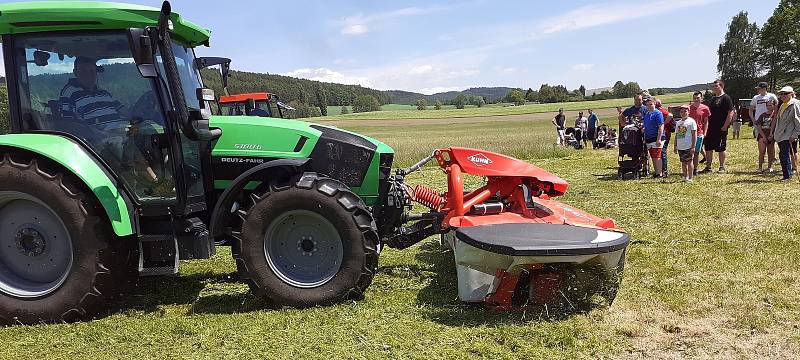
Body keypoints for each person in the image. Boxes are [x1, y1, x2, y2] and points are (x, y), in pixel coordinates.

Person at [700, 80, 735, 174]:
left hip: (721, 127)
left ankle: (721, 166)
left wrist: (725, 126)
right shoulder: (712, 99)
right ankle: (708, 167)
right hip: (710, 128)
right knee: (708, 148)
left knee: (721, 148)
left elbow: (730, 112)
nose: (714, 88)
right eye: (713, 86)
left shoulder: (726, 98)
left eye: (716, 86)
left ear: (721, 86)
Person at [772, 86, 800, 181]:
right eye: (781, 94)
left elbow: (798, 122)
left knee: (784, 155)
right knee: (783, 155)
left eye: (785, 93)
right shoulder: (783, 105)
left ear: (791, 94)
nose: (783, 95)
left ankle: (787, 175)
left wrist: (794, 135)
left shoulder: (795, 104)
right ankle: (788, 174)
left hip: (788, 135)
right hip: (781, 135)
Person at [642, 96, 665, 178]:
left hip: (656, 138)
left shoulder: (658, 113)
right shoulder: (647, 114)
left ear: (654, 104)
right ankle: (656, 172)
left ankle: (659, 173)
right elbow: (645, 125)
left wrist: (658, 139)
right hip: (649, 138)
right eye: (647, 105)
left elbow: (661, 126)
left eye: (651, 104)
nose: (649, 106)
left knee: (657, 156)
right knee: (653, 156)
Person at [673, 105, 697, 182]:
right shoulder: (678, 123)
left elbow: (694, 135)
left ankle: (690, 177)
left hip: (688, 145)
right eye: (681, 112)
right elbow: (676, 135)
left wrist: (693, 146)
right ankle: (685, 176)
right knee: (683, 162)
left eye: (685, 111)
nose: (683, 113)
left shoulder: (691, 121)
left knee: (689, 161)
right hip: (681, 146)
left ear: (688, 112)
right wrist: (675, 145)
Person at [689, 91, 710, 175]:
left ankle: (695, 169)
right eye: (694, 98)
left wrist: (704, 132)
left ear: (701, 98)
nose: (696, 99)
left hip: (699, 133)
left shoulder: (705, 108)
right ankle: (689, 168)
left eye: (698, 98)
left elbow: (706, 122)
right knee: (689, 152)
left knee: (697, 152)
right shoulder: (689, 108)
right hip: (689, 134)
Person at [754, 99, 777, 173]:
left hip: (771, 136)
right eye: (767, 105)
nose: (769, 107)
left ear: (773, 106)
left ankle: (770, 167)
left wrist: (771, 134)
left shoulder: (775, 115)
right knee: (762, 152)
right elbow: (759, 126)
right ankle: (760, 167)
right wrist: (763, 136)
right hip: (762, 135)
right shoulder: (763, 115)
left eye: (770, 105)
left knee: (770, 152)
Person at [655, 99, 673, 177]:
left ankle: (664, 170)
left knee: (663, 151)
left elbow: (670, 115)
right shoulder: (661, 110)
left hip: (665, 134)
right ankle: (662, 169)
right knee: (661, 151)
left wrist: (664, 123)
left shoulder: (660, 111)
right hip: (663, 134)